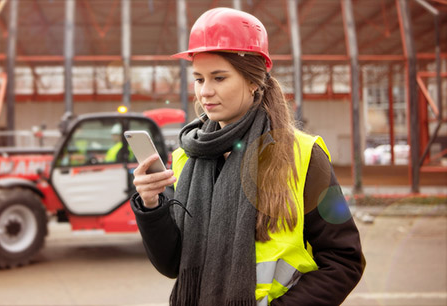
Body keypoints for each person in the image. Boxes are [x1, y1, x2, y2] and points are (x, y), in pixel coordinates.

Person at [130, 7, 365, 306]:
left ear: (254, 81)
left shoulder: (305, 156)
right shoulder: (185, 159)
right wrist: (152, 205)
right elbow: (172, 264)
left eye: (219, 77)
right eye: (199, 79)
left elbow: (344, 260)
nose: (205, 92)